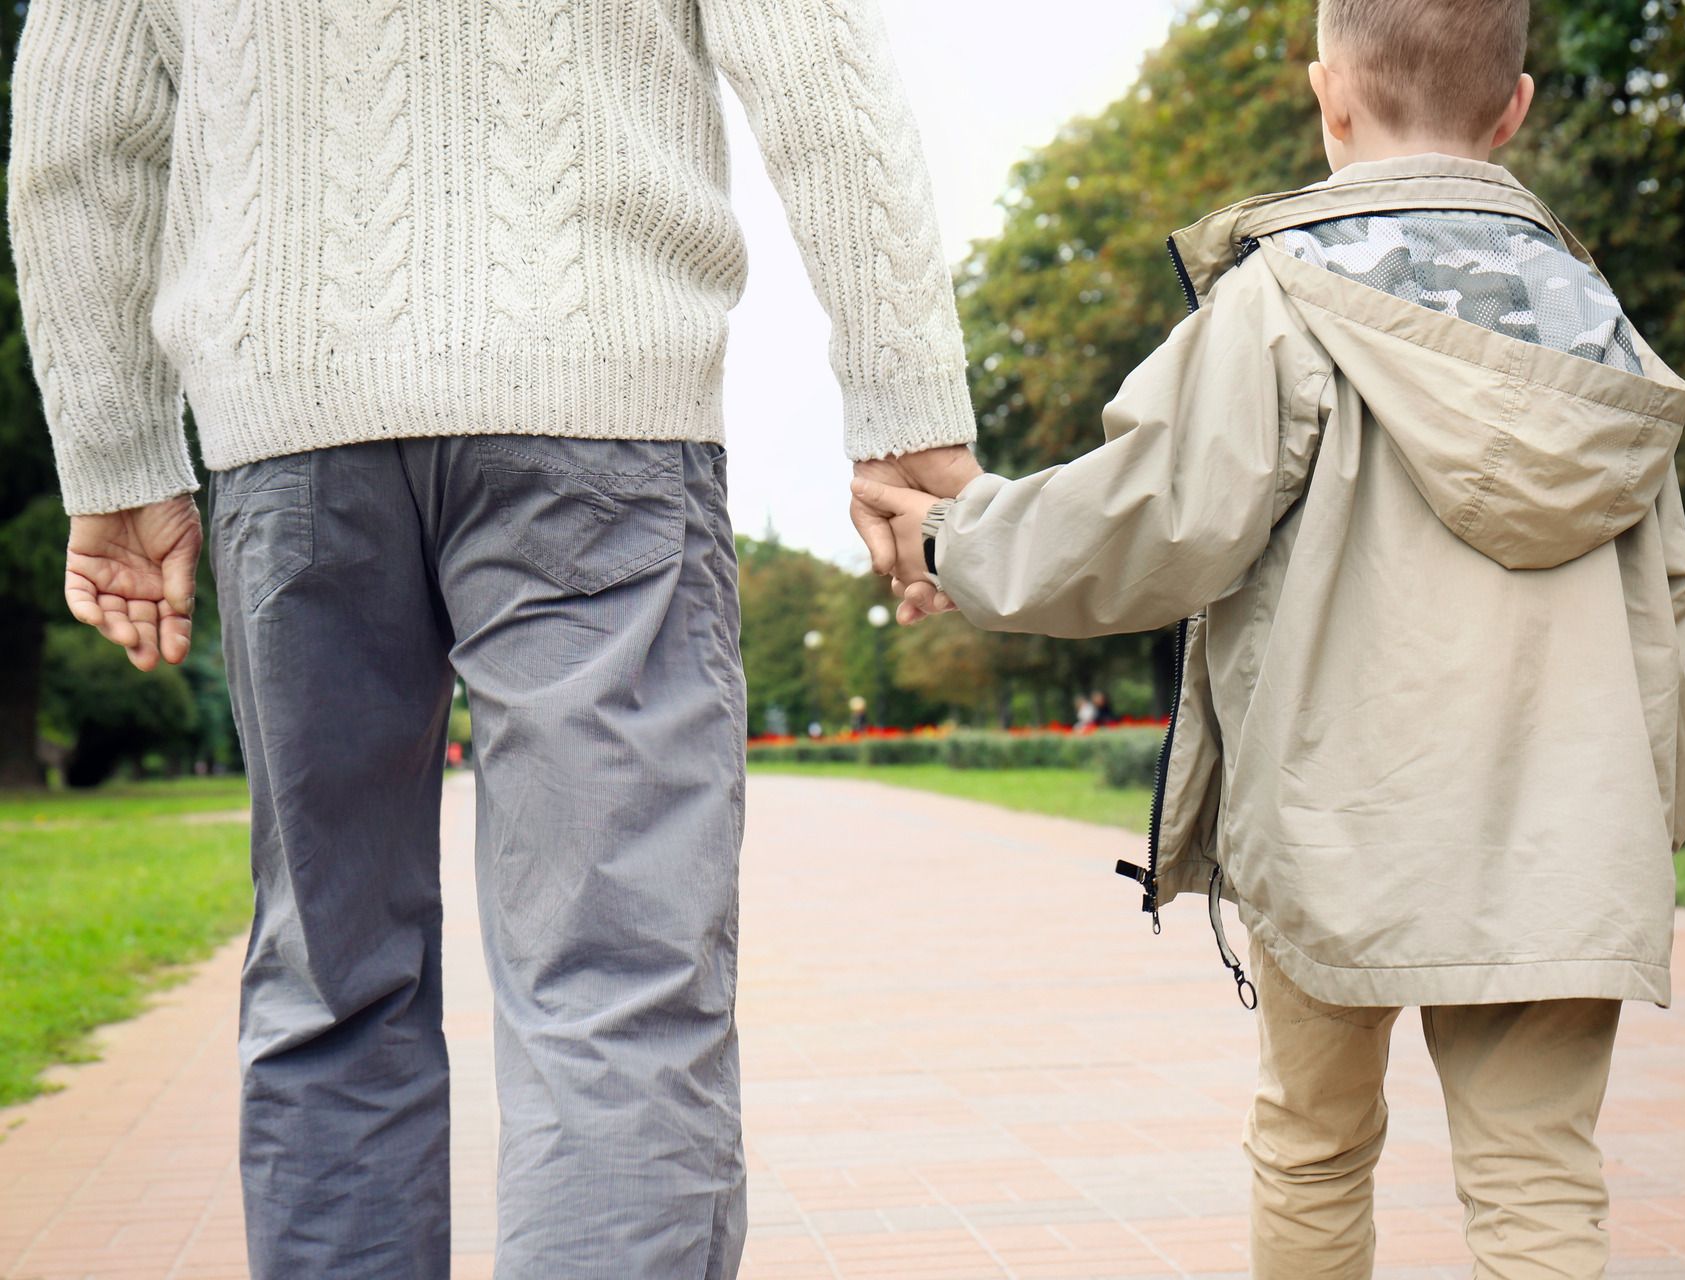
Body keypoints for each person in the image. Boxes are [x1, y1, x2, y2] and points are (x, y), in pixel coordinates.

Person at [10, 1, 981, 1275]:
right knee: (617, 985)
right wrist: (904, 396)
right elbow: (815, 54)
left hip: (289, 426)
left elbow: (79, 128)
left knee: (329, 984)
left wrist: (116, 457)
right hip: (596, 403)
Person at [854, 0, 1685, 1273]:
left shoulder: (1288, 303)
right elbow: (1667, 614)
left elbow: (1141, 516)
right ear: (1515, 109)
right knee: (1540, 1183)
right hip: (1564, 832)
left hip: (1338, 822)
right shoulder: (1606, 339)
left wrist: (949, 538)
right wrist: (1647, 823)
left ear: (1329, 97)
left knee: (1313, 1146)